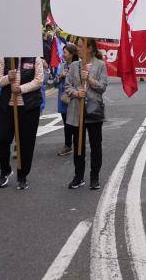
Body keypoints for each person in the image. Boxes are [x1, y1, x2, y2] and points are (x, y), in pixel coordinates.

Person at [0, 55, 44, 190]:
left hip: (30, 106)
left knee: (26, 143)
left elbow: (39, 81)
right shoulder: (2, 58)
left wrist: (21, 89)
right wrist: (7, 78)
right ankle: (5, 170)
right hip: (7, 106)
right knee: (1, 139)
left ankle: (22, 175)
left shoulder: (34, 58)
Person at [64, 38, 108, 190]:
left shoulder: (100, 65)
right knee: (78, 145)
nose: (78, 48)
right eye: (78, 46)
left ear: (90, 48)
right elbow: (67, 86)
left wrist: (88, 79)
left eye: (81, 46)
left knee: (96, 145)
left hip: (94, 111)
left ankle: (94, 177)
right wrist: (76, 92)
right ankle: (78, 176)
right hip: (77, 111)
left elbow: (103, 87)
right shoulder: (74, 65)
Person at [56, 43, 79, 156]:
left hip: (75, 98)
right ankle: (68, 145)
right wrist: (61, 76)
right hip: (64, 99)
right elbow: (55, 82)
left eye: (65, 52)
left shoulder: (78, 66)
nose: (63, 54)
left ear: (71, 54)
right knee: (66, 123)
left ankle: (78, 144)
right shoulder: (62, 66)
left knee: (75, 123)